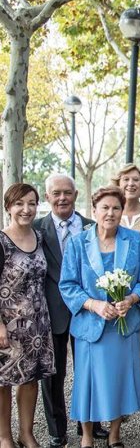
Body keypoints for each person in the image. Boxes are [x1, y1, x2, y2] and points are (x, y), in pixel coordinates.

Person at [59, 186, 140, 448]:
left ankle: (114, 434)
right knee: (88, 383)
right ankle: (87, 436)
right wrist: (94, 305)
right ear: (94, 210)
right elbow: (67, 285)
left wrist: (131, 300)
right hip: (91, 326)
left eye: (115, 208)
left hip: (124, 326)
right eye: (105, 207)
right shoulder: (78, 243)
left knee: (118, 380)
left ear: (122, 211)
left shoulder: (134, 240)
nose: (110, 213)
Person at [34, 175, 107, 448]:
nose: (62, 197)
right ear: (47, 196)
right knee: (53, 375)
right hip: (51, 312)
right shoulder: (36, 229)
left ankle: (92, 423)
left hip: (88, 309)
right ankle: (57, 429)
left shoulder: (93, 227)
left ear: (76, 194)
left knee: (90, 369)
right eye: (56, 193)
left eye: (67, 192)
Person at [0, 184, 55, 448]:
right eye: (19, 203)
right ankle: (4, 437)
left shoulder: (41, 238)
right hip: (8, 327)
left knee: (31, 379)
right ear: (8, 207)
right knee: (4, 383)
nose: (26, 209)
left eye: (31, 203)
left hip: (38, 326)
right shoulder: (1, 241)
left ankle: (26, 433)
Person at [111, 163, 140, 418]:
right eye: (126, 179)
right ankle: (120, 397)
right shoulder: (110, 212)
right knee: (118, 342)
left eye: (135, 180)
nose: (130, 184)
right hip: (113, 292)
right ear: (118, 183)